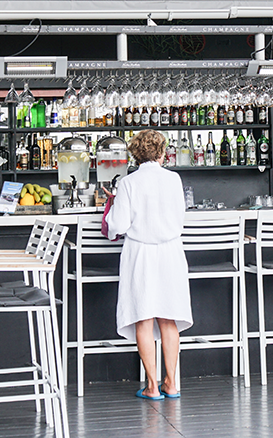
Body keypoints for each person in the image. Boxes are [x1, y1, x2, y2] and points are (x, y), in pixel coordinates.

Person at [104, 129, 193, 400]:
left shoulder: (128, 182)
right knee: (169, 317)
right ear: (162, 152)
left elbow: (118, 225)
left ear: (135, 154)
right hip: (170, 253)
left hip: (140, 254)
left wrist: (112, 205)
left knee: (143, 317)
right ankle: (172, 384)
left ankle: (152, 387)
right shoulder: (174, 179)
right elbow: (179, 217)